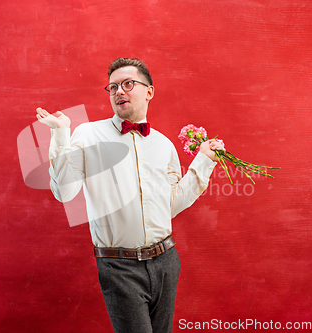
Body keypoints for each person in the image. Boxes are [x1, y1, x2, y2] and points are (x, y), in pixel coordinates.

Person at [36, 57, 224, 333]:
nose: (118, 92)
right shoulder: (88, 134)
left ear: (149, 91)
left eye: (127, 84)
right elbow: (64, 192)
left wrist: (203, 161)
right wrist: (62, 133)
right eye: (112, 87)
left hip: (166, 262)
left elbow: (169, 206)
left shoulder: (163, 144)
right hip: (119, 266)